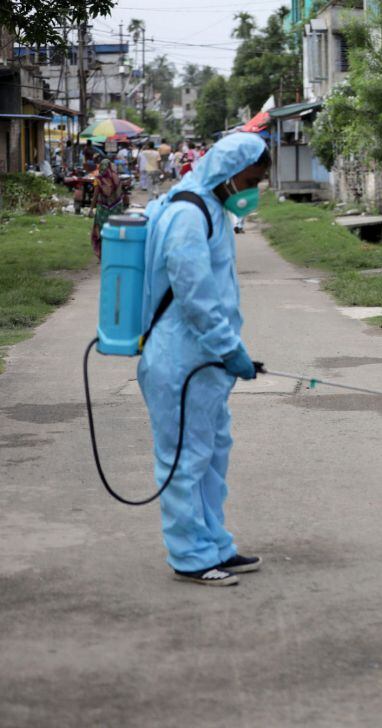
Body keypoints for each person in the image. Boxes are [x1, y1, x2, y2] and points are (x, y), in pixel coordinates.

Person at [138, 132, 270, 586]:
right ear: (231, 174)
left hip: (204, 359)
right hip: (180, 357)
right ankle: (190, 555)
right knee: (184, 458)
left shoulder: (210, 209)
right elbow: (194, 294)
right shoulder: (186, 214)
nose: (254, 191)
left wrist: (226, 350)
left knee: (213, 453)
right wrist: (228, 346)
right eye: (252, 180)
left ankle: (215, 544)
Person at [89, 157, 125, 260]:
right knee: (115, 230)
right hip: (116, 208)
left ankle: (103, 253)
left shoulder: (99, 179)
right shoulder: (116, 177)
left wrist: (91, 208)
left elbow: (95, 195)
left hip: (103, 208)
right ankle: (115, 253)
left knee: (102, 230)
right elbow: (119, 194)